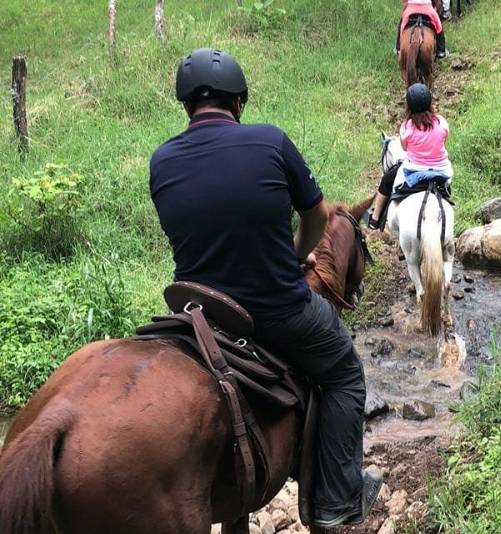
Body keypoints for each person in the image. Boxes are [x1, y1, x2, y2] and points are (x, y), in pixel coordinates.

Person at [149, 48, 381, 529]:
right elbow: (317, 216)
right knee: (344, 374)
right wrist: (298, 256)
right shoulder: (271, 142)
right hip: (276, 308)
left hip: (199, 313)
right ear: (239, 103)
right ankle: (338, 498)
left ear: (187, 105)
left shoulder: (162, 161)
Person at [369, 83, 452, 229]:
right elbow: (445, 139)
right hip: (441, 170)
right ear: (429, 102)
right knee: (446, 188)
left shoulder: (407, 126)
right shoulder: (441, 122)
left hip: (414, 170)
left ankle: (375, 218)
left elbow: (404, 148)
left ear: (409, 106)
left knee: (387, 180)